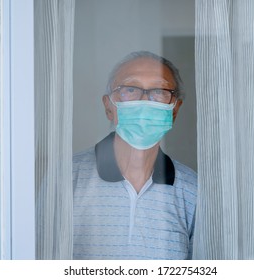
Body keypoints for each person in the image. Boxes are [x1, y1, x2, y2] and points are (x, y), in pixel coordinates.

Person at [72, 51, 197, 259]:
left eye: (159, 90)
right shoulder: (68, 179)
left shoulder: (193, 191)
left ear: (174, 110)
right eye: (130, 89)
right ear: (108, 106)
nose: (145, 100)